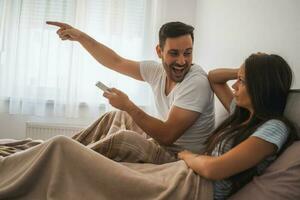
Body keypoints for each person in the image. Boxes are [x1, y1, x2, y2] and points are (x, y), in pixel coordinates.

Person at [46, 21, 215, 157]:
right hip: (164, 145)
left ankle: (68, 156)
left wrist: (128, 105)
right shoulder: (157, 71)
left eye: (187, 53)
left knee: (123, 139)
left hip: (180, 157)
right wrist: (81, 37)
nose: (182, 61)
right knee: (116, 115)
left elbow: (167, 135)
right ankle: (62, 148)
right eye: (174, 53)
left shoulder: (196, 83)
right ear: (159, 51)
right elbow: (115, 61)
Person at [178, 53, 298, 199]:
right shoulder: (242, 114)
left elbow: (213, 169)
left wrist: (186, 155)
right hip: (189, 176)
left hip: (200, 189)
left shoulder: (275, 127)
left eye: (241, 80)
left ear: (260, 85)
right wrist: (244, 70)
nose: (234, 85)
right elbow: (213, 77)